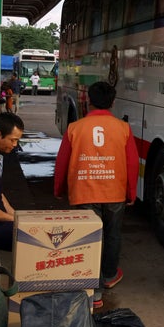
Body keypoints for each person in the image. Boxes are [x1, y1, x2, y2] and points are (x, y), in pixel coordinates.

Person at [54, 81, 139, 309]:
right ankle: (109, 275)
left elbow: (62, 163)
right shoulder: (123, 128)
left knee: (89, 239)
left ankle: (94, 290)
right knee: (112, 235)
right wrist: (131, 192)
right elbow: (132, 163)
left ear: (88, 101)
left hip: (84, 192)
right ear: (113, 102)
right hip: (114, 193)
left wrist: (59, 189)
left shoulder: (75, 128)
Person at [0, 112, 25, 251]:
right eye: (12, 140)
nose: (15, 145)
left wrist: (17, 216)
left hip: (0, 222)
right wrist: (14, 220)